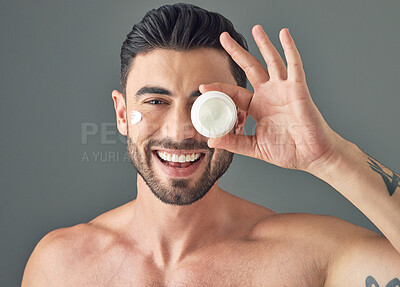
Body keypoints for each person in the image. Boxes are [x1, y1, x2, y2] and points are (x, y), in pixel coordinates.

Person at [22, 3, 400, 286]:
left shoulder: (306, 259)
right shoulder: (60, 266)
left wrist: (329, 157)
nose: (181, 129)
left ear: (238, 115)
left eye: (205, 106)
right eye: (155, 101)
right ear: (122, 115)